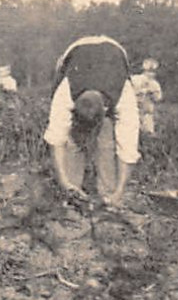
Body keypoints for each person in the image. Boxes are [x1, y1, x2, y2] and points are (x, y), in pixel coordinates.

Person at [43, 35, 140, 207]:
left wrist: (120, 191)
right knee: (72, 140)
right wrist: (65, 183)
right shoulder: (65, 92)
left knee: (107, 140)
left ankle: (109, 195)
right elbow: (56, 139)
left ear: (104, 110)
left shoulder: (124, 96)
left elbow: (128, 148)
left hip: (114, 55)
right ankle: (72, 194)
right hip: (74, 55)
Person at [131, 58, 163, 135]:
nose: (151, 74)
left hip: (147, 113)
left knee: (148, 132)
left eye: (153, 72)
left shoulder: (155, 84)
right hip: (134, 110)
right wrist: (141, 91)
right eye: (149, 71)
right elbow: (130, 91)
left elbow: (158, 98)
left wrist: (152, 93)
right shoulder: (135, 79)